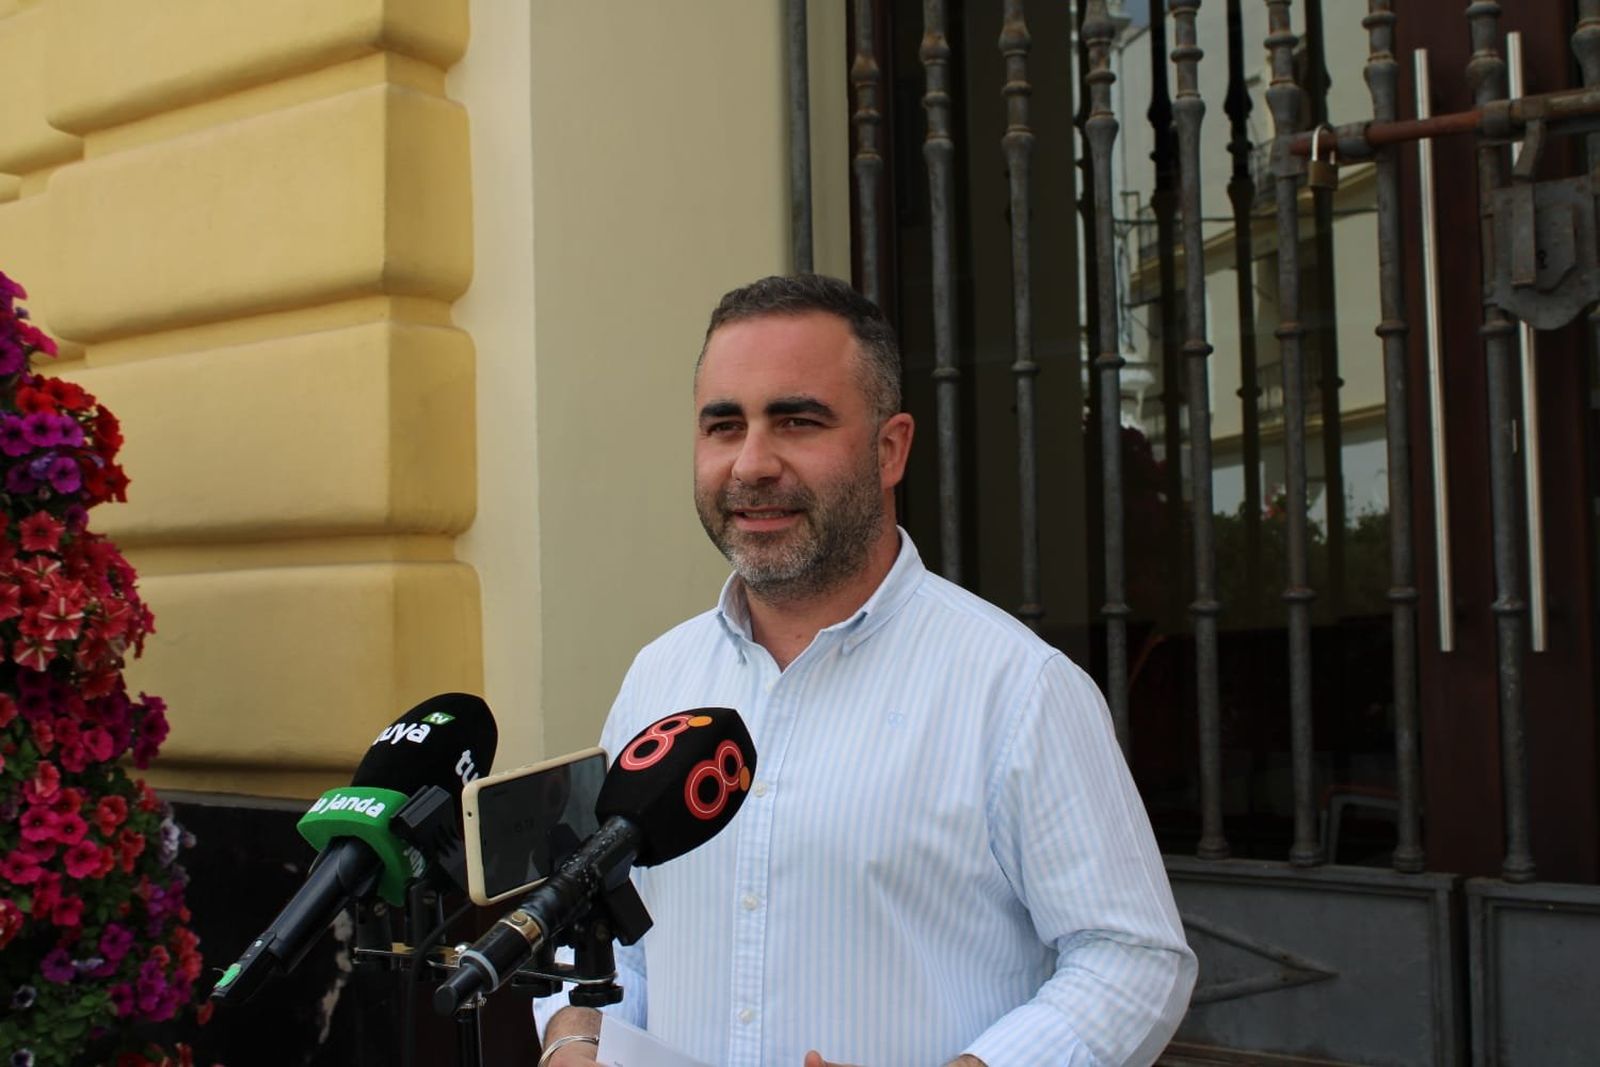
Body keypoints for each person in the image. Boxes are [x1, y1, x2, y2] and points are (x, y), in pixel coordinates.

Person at [538, 274, 1195, 1067]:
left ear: (891, 448)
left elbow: (1132, 959)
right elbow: (606, 925)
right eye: (724, 425)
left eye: (797, 420)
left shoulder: (1018, 688)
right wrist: (572, 1037)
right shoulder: (658, 676)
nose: (752, 463)